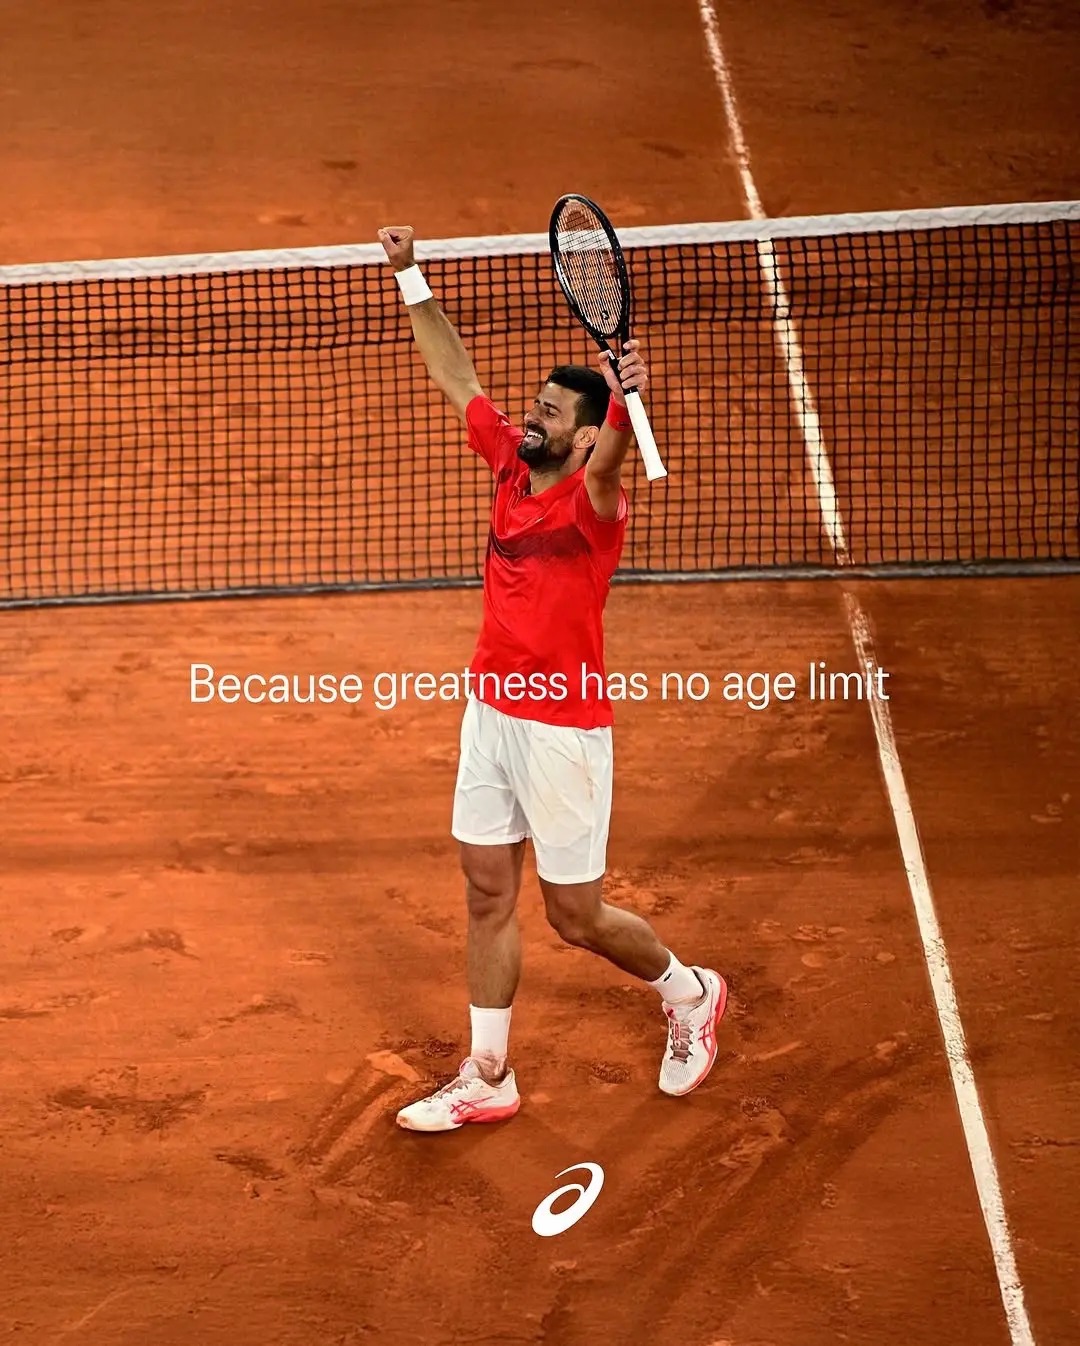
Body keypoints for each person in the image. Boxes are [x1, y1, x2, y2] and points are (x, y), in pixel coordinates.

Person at [377, 225, 727, 1133]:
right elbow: (457, 376)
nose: (530, 419)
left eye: (549, 415)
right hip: (490, 715)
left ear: (580, 439)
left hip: (563, 731)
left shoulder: (592, 505)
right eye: (533, 406)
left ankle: (690, 992)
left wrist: (626, 402)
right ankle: (488, 1074)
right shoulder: (508, 460)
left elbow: (611, 461)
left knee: (576, 916)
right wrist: (412, 276)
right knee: (487, 891)